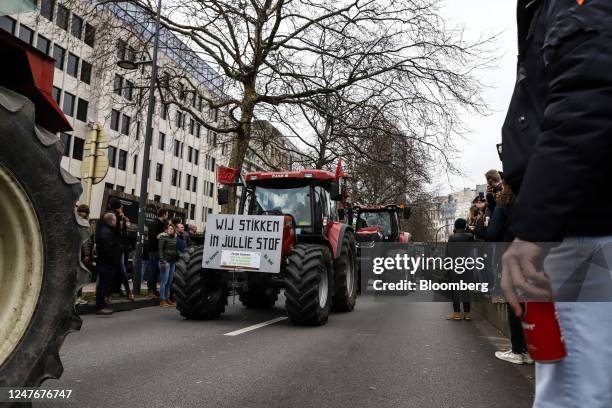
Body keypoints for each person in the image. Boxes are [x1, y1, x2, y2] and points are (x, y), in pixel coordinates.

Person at [500, 2, 612, 406]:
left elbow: (590, 96)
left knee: (575, 392)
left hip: (585, 228)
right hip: (582, 220)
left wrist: (532, 230)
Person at [486, 183, 533, 365]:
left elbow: (492, 234)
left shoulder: (504, 205)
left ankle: (517, 350)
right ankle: (530, 350)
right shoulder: (532, 202)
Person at [446, 218, 474, 321]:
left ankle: (457, 313)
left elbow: (448, 254)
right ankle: (467, 313)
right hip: (467, 266)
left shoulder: (452, 238)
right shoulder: (470, 237)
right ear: (465, 226)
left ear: (455, 227)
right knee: (466, 290)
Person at [95, 213, 121, 315]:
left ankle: (102, 304)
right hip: (106, 263)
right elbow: (108, 249)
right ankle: (100, 306)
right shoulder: (107, 232)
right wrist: (117, 252)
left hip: (105, 262)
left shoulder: (106, 230)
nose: (116, 222)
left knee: (104, 284)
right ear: (111, 221)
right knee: (103, 284)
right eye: (115, 220)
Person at [108, 198, 133, 301]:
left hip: (118, 247)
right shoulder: (113, 217)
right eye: (120, 206)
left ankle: (125, 292)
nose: (121, 208)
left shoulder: (120, 217)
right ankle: (127, 292)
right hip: (115, 248)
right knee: (117, 270)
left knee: (120, 270)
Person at [147, 208, 168, 299]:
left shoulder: (161, 224)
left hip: (159, 250)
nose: (167, 216)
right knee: (153, 270)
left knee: (156, 271)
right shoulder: (154, 223)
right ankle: (150, 291)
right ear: (163, 214)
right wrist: (161, 236)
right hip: (154, 250)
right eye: (167, 214)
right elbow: (152, 237)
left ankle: (154, 290)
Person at [158, 224, 179, 307]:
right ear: (166, 230)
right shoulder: (163, 237)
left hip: (173, 262)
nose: (170, 230)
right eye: (169, 229)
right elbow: (160, 250)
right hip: (165, 261)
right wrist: (162, 260)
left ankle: (167, 299)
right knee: (164, 281)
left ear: (174, 230)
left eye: (172, 229)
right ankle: (162, 300)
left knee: (169, 282)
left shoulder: (175, 238)